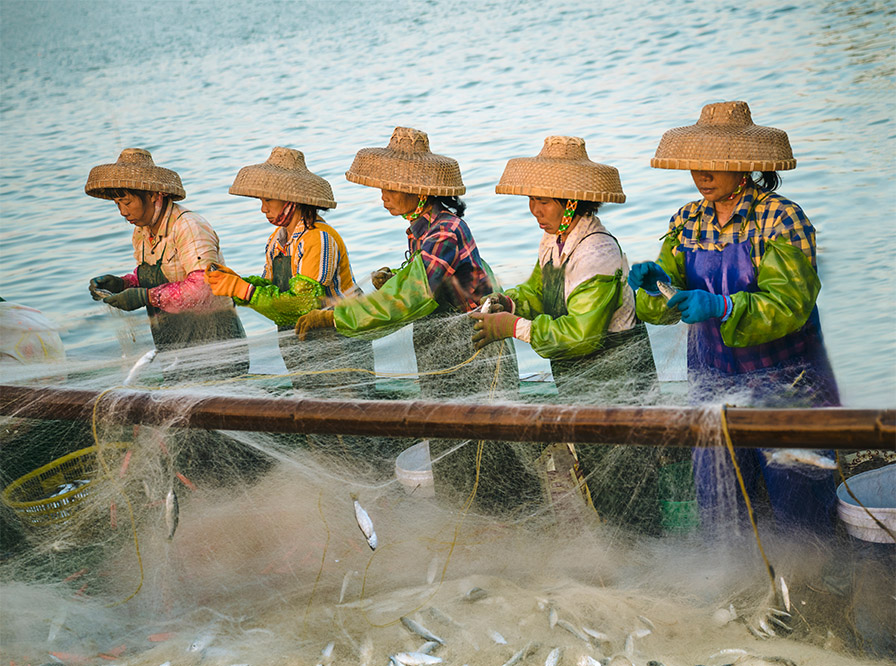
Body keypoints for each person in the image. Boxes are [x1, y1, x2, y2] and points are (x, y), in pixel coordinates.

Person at [295, 126, 540, 511]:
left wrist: (336, 317)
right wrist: (397, 277)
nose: (383, 195)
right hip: (443, 352)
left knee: (487, 451)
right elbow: (430, 285)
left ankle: (515, 526)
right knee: (448, 444)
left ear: (420, 190)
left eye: (390, 187)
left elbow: (412, 298)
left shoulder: (446, 230)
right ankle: (472, 525)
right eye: (381, 187)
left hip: (474, 351)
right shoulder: (420, 232)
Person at [628, 101, 841, 535]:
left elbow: (789, 308)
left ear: (744, 164)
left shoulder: (782, 219)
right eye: (695, 164)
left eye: (713, 164)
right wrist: (655, 287)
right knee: (722, 506)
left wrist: (722, 307)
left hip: (787, 386)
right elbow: (668, 305)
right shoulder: (686, 220)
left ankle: (813, 594)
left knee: (800, 510)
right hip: (713, 387)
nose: (701, 174)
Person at [471, 135, 662, 534]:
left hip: (617, 383)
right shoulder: (555, 240)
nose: (533, 210)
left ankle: (648, 563)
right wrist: (511, 302)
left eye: (543, 201)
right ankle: (626, 560)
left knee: (629, 484)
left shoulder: (597, 251)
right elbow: (541, 291)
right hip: (585, 385)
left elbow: (581, 336)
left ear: (571, 201)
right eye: (531, 200)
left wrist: (514, 327)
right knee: (602, 480)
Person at [205, 146, 375, 398]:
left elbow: (304, 303)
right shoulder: (277, 240)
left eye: (268, 200)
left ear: (290, 200)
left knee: (349, 412)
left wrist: (242, 289)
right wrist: (236, 281)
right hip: (299, 343)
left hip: (339, 342)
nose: (264, 209)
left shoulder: (319, 239)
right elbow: (269, 288)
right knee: (310, 410)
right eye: (261, 201)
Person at [85, 147, 249, 382]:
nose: (122, 212)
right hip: (173, 347)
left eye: (127, 202)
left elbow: (203, 288)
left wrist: (146, 297)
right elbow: (158, 277)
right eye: (117, 203)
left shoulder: (188, 227)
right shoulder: (141, 232)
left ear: (154, 195)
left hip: (215, 346)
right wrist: (123, 284)